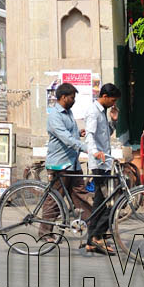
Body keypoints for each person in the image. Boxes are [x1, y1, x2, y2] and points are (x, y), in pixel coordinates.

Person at [42, 83, 91, 239]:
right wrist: (86, 149)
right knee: (55, 199)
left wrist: (79, 133)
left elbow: (71, 134)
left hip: (72, 163)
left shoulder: (68, 113)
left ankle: (94, 230)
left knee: (81, 196)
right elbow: (66, 138)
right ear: (63, 97)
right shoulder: (55, 116)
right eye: (72, 97)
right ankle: (45, 232)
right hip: (60, 164)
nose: (74, 100)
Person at [84, 82, 122, 255]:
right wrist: (94, 152)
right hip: (99, 163)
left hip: (105, 162)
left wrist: (113, 121)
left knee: (100, 202)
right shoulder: (93, 112)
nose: (113, 104)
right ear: (105, 97)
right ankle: (96, 236)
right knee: (109, 201)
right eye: (112, 100)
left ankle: (92, 240)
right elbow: (89, 135)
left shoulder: (103, 112)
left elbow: (106, 133)